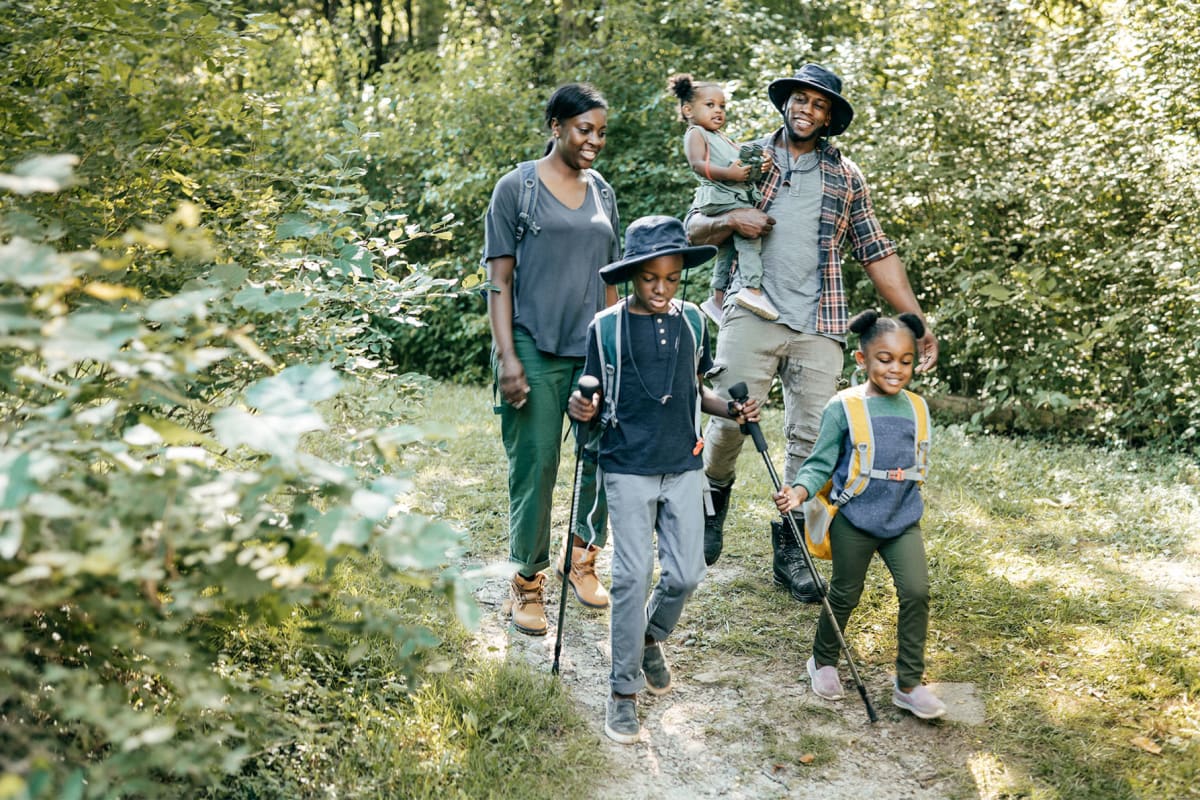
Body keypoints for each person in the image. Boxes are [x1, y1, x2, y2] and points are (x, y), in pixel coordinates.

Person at [687, 63, 940, 603]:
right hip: (751, 311)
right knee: (730, 424)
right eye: (800, 99)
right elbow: (695, 227)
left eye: (819, 105)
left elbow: (877, 253)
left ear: (830, 118)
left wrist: (917, 324)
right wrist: (734, 222)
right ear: (786, 103)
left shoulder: (847, 177)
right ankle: (714, 494)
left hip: (820, 321)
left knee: (811, 441)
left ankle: (793, 551)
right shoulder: (747, 157)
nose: (807, 110)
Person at [568, 215, 761, 744]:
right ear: (633, 274)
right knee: (631, 579)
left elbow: (698, 391)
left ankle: (650, 637)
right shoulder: (605, 328)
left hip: (683, 464)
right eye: (651, 278)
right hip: (627, 465)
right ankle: (622, 691)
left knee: (687, 574)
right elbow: (587, 398)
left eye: (672, 278)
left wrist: (732, 410)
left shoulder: (695, 321)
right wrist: (581, 406)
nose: (661, 288)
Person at [483, 83, 621, 636]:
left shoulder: (603, 192)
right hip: (534, 351)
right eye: (584, 129)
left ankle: (580, 558)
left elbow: (613, 282)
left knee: (603, 458)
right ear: (556, 127)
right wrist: (507, 356)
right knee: (537, 468)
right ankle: (527, 581)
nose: (594, 141)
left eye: (601, 132)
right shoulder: (515, 188)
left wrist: (614, 353)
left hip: (591, 351)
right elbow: (499, 282)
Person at [773, 309, 946, 720]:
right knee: (845, 594)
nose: (896, 369)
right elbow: (819, 462)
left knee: (917, 591)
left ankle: (908, 683)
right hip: (855, 517)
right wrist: (799, 491)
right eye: (884, 359)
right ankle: (823, 660)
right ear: (861, 360)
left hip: (902, 519)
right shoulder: (844, 408)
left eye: (906, 361)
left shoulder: (918, 408)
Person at [667, 73, 776, 324]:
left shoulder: (721, 137)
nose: (718, 111)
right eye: (710, 105)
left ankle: (717, 299)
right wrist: (730, 173)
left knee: (726, 249)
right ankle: (752, 289)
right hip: (719, 197)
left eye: (722, 106)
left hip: (728, 195)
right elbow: (697, 165)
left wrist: (762, 164)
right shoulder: (696, 133)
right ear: (688, 110)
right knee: (750, 234)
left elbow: (741, 161)